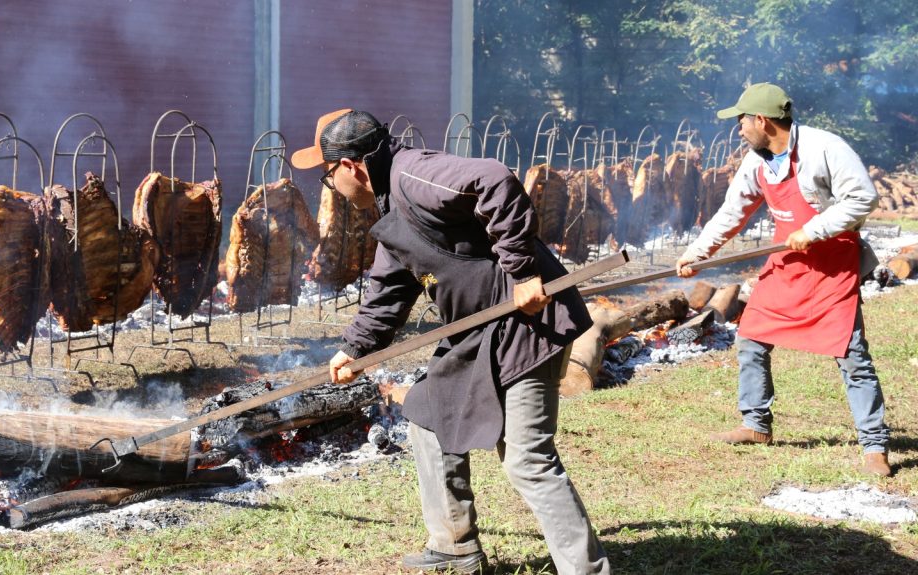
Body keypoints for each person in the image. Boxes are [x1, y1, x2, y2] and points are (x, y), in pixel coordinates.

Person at [291, 109, 610, 574]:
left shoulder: (413, 175)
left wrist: (523, 271)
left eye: (326, 177)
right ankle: (454, 546)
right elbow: (389, 289)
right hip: (478, 334)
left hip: (526, 325)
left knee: (527, 459)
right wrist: (355, 348)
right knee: (427, 416)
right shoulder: (390, 207)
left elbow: (495, 180)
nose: (331, 189)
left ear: (351, 166)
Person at [676, 83, 891, 477]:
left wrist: (815, 229)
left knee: (851, 354)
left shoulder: (825, 148)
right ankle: (756, 424)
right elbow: (732, 212)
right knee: (752, 336)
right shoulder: (756, 161)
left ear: (762, 120)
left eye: (742, 121)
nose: (738, 129)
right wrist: (698, 252)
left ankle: (874, 445)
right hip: (787, 262)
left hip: (832, 264)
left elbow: (864, 197)